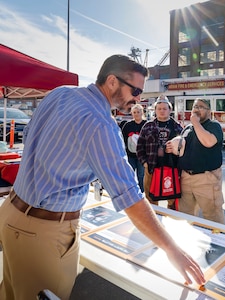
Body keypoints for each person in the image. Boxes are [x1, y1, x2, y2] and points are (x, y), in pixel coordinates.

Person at [0, 55, 205, 300]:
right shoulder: (101, 124)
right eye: (136, 90)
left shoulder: (60, 93)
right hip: (43, 234)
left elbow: (32, 139)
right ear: (111, 82)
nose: (138, 98)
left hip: (12, 213)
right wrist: (173, 250)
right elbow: (130, 198)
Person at [177, 98, 225, 224]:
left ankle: (218, 241)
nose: (196, 109)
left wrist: (196, 123)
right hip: (186, 178)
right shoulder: (188, 128)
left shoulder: (214, 126)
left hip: (206, 179)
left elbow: (208, 142)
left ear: (209, 112)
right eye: (194, 106)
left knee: (213, 216)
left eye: (201, 107)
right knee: (185, 216)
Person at [136, 95, 182, 210]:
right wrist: (145, 163)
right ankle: (154, 224)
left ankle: (170, 223)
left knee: (172, 200)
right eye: (159, 109)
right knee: (151, 201)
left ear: (170, 110)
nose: (162, 111)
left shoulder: (177, 127)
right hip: (151, 168)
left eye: (164, 108)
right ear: (155, 110)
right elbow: (139, 147)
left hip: (171, 169)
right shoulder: (148, 126)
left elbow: (184, 149)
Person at [121, 103, 146, 193]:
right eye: (134, 112)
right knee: (130, 174)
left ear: (142, 112)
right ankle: (131, 192)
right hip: (130, 155)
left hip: (142, 156)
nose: (136, 114)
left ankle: (142, 193)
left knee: (141, 175)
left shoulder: (146, 124)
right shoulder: (128, 125)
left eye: (138, 112)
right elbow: (122, 138)